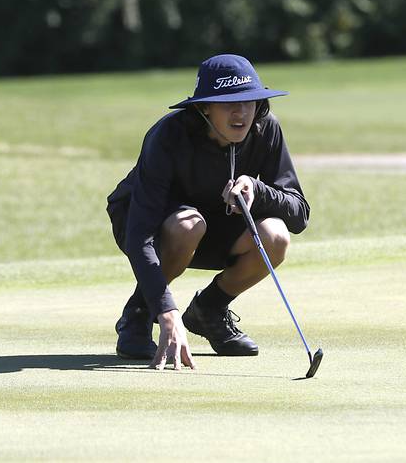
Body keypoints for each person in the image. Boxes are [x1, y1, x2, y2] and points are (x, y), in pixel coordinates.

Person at [106, 54, 310, 371]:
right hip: (153, 226)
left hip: (219, 228)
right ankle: (138, 314)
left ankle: (209, 310)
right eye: (228, 103)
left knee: (276, 236)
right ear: (204, 108)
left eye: (249, 101)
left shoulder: (266, 129)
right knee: (188, 225)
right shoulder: (168, 136)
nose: (241, 112)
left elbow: (299, 214)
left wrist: (258, 191)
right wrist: (166, 310)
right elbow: (139, 234)